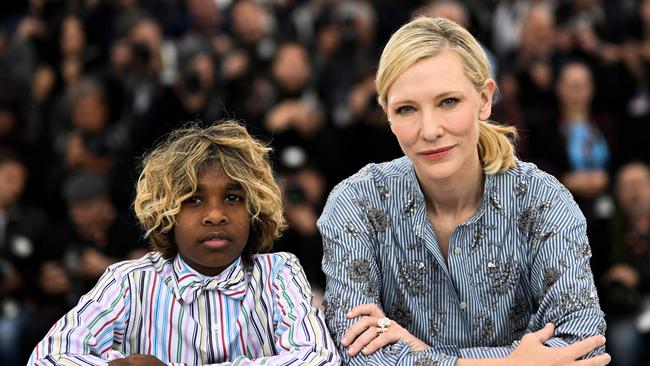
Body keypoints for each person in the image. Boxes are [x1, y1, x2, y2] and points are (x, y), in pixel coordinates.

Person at [317, 17, 610, 365]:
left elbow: (584, 344)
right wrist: (509, 363)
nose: (429, 130)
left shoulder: (543, 200)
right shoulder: (356, 204)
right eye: (406, 109)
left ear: (484, 99)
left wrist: (420, 353)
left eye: (448, 102)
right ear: (388, 116)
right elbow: (352, 353)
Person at [27, 120, 340, 365]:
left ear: (254, 209)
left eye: (232, 198)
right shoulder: (130, 282)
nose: (215, 215)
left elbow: (319, 357)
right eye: (193, 200)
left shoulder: (278, 272)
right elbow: (48, 358)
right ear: (167, 212)